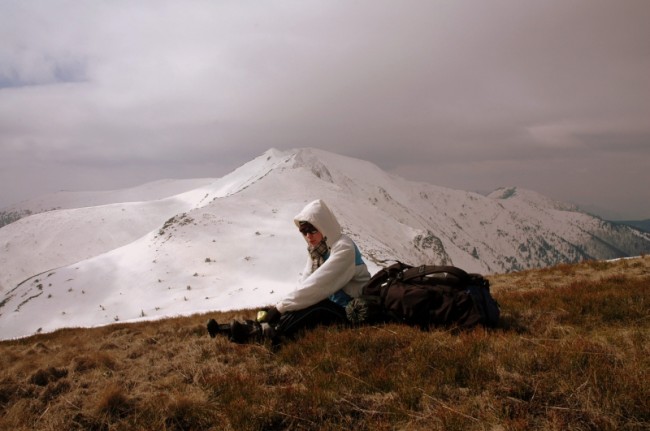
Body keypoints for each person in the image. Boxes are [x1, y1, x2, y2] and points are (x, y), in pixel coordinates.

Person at [207, 199, 371, 344]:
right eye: (303, 231)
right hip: (334, 306)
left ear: (324, 226)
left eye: (312, 230)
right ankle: (239, 329)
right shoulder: (317, 253)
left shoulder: (344, 247)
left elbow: (318, 286)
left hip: (353, 312)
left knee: (317, 306)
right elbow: (304, 285)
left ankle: (266, 335)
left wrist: (280, 308)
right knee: (300, 305)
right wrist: (278, 307)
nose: (308, 236)